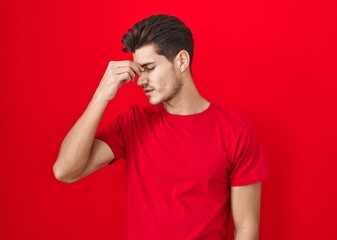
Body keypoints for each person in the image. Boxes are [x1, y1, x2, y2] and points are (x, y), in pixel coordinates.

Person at [53, 14, 271, 240]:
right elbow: (65, 171)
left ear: (182, 61)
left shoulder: (236, 132)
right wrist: (101, 95)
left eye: (149, 68)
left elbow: (246, 227)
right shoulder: (133, 123)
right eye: (139, 70)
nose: (140, 81)